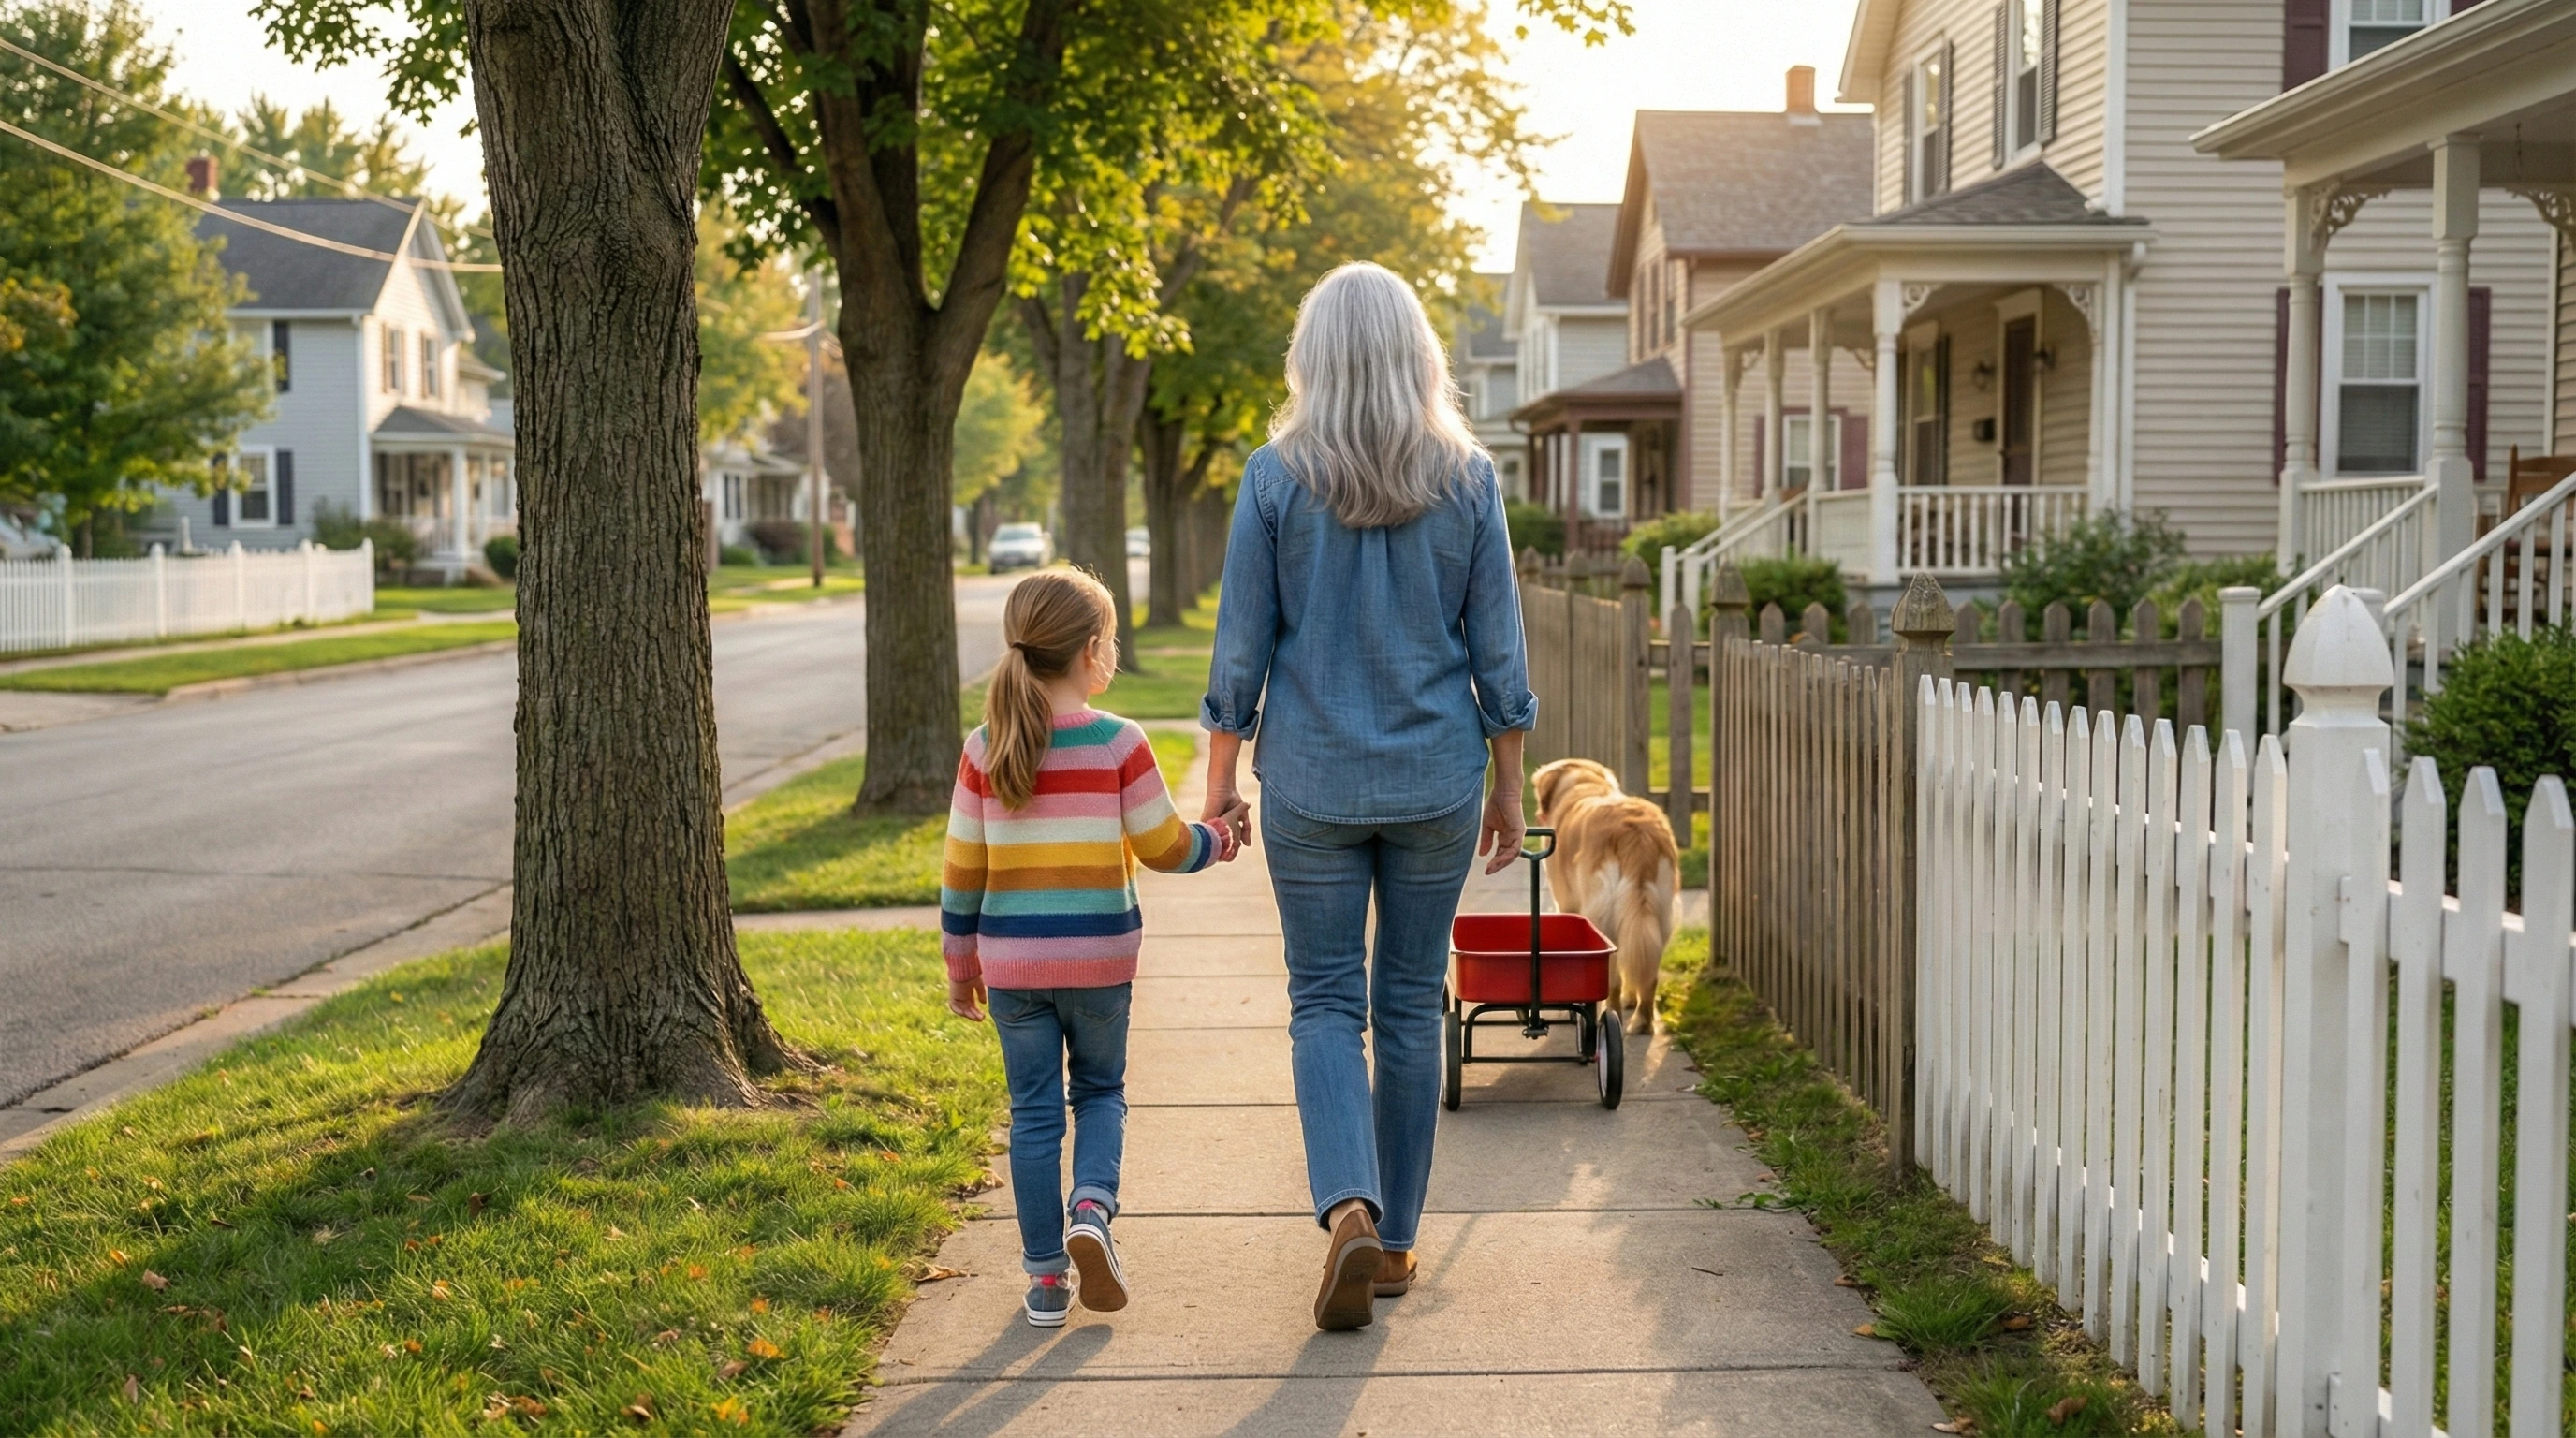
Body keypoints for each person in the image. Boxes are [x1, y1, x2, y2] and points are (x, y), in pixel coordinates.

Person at [1199, 261, 1535, 1332]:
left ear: (1315, 356)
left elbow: (1240, 651)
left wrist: (1219, 789)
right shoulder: (1468, 478)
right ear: (1417, 354)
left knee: (1324, 1002)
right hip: (1437, 778)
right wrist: (1511, 794)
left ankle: (1346, 1203)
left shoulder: (1271, 477)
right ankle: (1391, 1248)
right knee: (1406, 1002)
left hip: (1311, 782)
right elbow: (1502, 659)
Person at [944, 568, 1237, 1328]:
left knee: (1033, 1115)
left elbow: (962, 870)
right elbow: (1165, 846)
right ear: (1093, 651)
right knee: (1100, 1093)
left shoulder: (985, 747)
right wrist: (1221, 841)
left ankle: (1045, 1281)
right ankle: (1092, 1215)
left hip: (1013, 969)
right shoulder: (1118, 741)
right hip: (1100, 962)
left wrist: (959, 966)